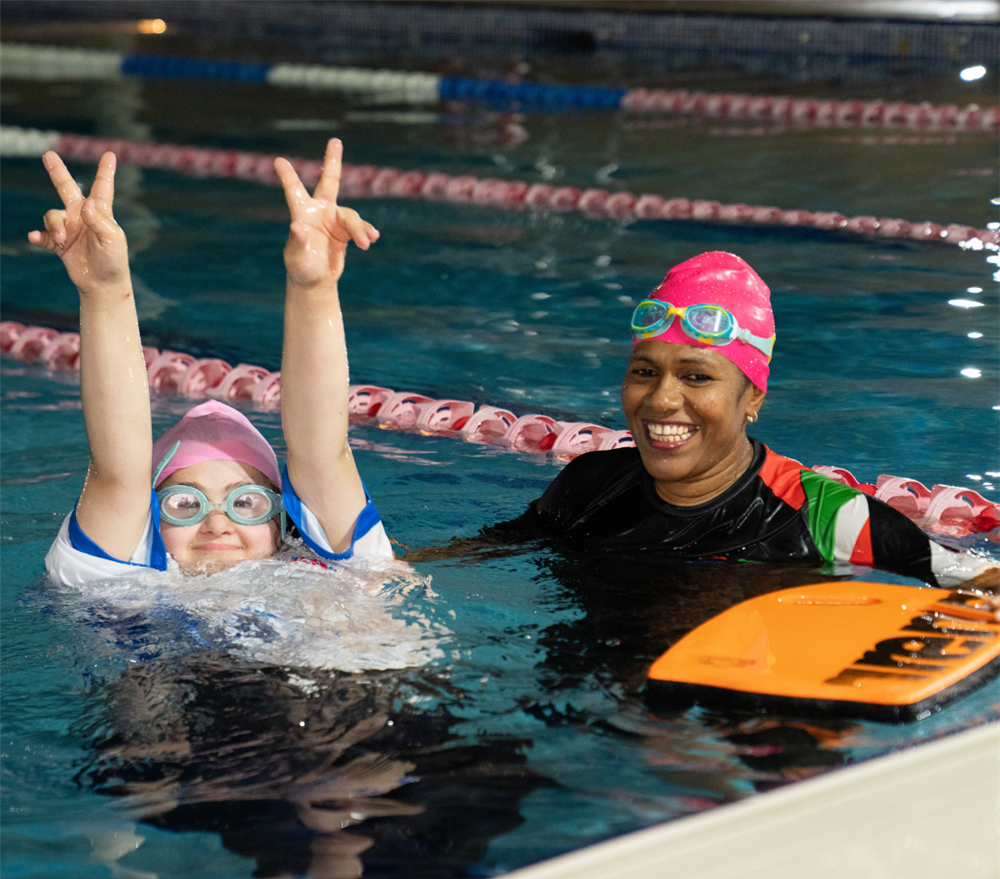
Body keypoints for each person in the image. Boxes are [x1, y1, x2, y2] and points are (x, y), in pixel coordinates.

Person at [484, 251, 1000, 597]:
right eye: (644, 372)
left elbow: (981, 580)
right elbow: (484, 556)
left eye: (696, 377)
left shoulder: (830, 517)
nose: (662, 399)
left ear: (752, 397)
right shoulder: (588, 484)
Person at [33, 139, 394, 587]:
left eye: (247, 503)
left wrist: (315, 289)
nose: (217, 525)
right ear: (148, 522)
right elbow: (119, 472)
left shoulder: (337, 566)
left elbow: (322, 454)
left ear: (283, 526)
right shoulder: (125, 578)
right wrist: (103, 290)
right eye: (184, 504)